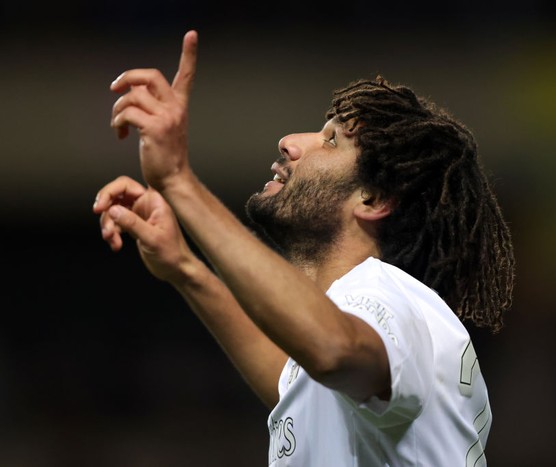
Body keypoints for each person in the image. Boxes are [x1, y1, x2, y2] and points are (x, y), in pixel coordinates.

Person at [93, 29, 515, 466]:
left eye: (332, 141)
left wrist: (180, 182)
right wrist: (185, 268)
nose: (291, 142)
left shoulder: (382, 291)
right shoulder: (381, 322)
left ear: (372, 200)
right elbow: (292, 377)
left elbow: (334, 351)